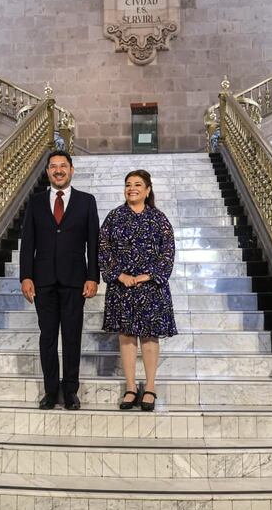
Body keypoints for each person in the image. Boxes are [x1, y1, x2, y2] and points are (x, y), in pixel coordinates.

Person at [19, 151, 100, 410]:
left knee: (72, 337)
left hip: (75, 280)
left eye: (63, 166)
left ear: (72, 170)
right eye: (53, 167)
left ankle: (71, 391)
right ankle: (51, 392)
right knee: (48, 338)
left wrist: (93, 277)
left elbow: (94, 243)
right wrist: (26, 276)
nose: (58, 170)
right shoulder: (36, 202)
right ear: (47, 173)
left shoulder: (87, 201)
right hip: (43, 281)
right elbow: (27, 243)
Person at [98, 169, 177, 412]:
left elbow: (168, 252)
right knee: (127, 336)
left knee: (150, 337)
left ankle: (150, 387)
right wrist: (119, 275)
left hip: (150, 288)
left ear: (147, 190)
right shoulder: (114, 217)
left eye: (138, 184)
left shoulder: (159, 219)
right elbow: (103, 249)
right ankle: (131, 387)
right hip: (122, 288)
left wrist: (148, 276)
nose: (132, 188)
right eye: (128, 184)